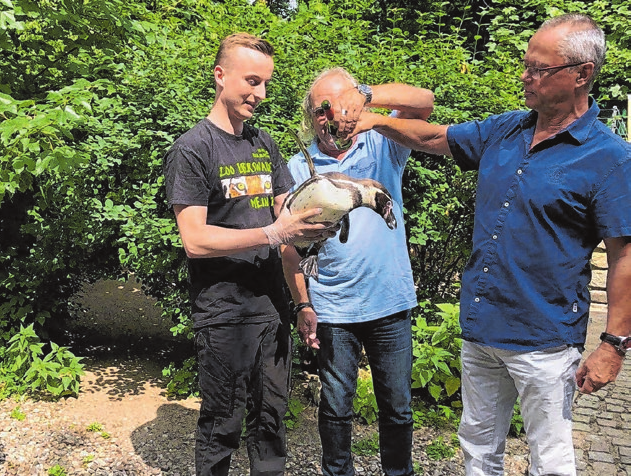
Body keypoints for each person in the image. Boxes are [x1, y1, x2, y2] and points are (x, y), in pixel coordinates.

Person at [344, 13, 631, 475]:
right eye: (525, 64)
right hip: (482, 328)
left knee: (551, 460)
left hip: (546, 340)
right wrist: (372, 119)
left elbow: (625, 257)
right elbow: (435, 136)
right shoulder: (506, 130)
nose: (525, 76)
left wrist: (614, 344)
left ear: (582, 74)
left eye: (539, 68)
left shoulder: (611, 158)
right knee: (477, 448)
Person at [163, 33, 335, 476]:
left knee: (272, 423)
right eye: (252, 81)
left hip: (272, 309)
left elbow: (286, 223)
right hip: (222, 312)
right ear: (220, 76)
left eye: (265, 85)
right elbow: (195, 239)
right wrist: (274, 231)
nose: (259, 95)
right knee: (223, 424)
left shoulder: (264, 145)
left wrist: (302, 299)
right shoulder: (193, 149)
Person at [282, 69, 433, 476]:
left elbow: (424, 102)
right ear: (311, 116)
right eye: (323, 109)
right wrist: (303, 304)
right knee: (334, 407)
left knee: (398, 407)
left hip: (389, 300)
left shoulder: (384, 143)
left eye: (342, 105)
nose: (333, 117)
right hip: (332, 306)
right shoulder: (298, 167)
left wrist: (367, 97)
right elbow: (289, 247)